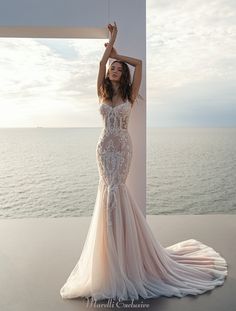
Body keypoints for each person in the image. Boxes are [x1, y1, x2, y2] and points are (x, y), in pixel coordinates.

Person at [60, 22, 227, 302]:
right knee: (106, 194)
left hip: (123, 148)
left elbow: (139, 63)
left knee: (117, 192)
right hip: (104, 149)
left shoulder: (129, 95)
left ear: (123, 76)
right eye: (112, 68)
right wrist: (109, 47)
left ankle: (124, 256)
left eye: (118, 70)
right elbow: (100, 63)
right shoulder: (102, 92)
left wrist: (118, 49)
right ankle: (108, 257)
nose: (114, 70)